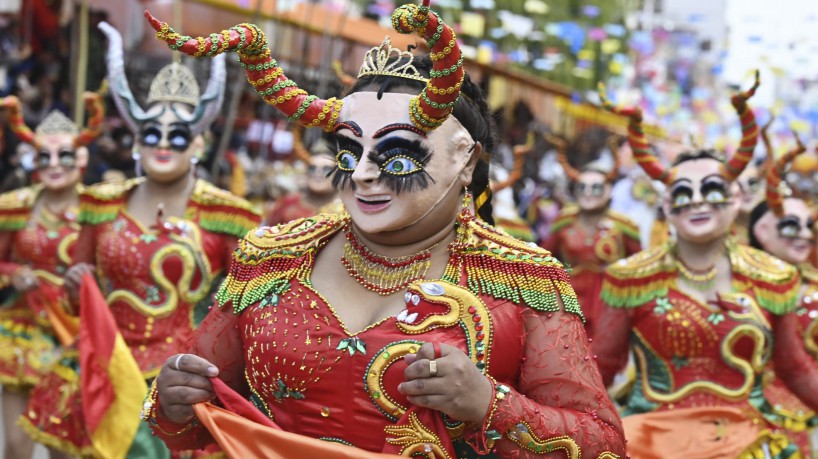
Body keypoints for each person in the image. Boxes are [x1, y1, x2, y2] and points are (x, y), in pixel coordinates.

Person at [141, 2, 627, 458]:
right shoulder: (272, 257)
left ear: (465, 161)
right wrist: (175, 398)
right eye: (348, 154)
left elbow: (604, 443)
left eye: (396, 157)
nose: (362, 175)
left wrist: (489, 404)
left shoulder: (524, 280)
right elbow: (193, 420)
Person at [20, 22, 261, 458]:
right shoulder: (102, 204)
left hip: (173, 382)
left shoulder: (227, 216)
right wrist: (76, 285)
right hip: (99, 364)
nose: (163, 144)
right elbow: (76, 298)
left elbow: (245, 304)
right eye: (152, 134)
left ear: (199, 145)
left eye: (177, 136)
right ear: (136, 141)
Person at [594, 74, 818, 458]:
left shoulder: (772, 278)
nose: (697, 201)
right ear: (666, 206)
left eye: (712, 190)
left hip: (748, 443)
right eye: (683, 193)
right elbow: (601, 369)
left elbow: (794, 368)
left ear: (736, 198)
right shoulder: (630, 277)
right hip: (648, 443)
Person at [0, 92, 103, 459]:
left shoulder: (99, 211)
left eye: (65, 156)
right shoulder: (17, 206)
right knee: (16, 447)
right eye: (45, 156)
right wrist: (15, 273)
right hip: (24, 330)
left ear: (81, 159)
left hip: (74, 335)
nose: (55, 164)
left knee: (63, 448)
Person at [748, 135, 818, 455]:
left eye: (808, 226)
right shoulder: (735, 288)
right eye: (790, 226)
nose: (803, 234)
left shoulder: (814, 288)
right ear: (762, 231)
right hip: (745, 420)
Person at [540, 134, 641, 337]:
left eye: (596, 188)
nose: (588, 193)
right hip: (568, 304)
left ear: (609, 190)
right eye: (582, 187)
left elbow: (638, 266)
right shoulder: (564, 220)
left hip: (609, 305)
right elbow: (544, 259)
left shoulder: (623, 226)